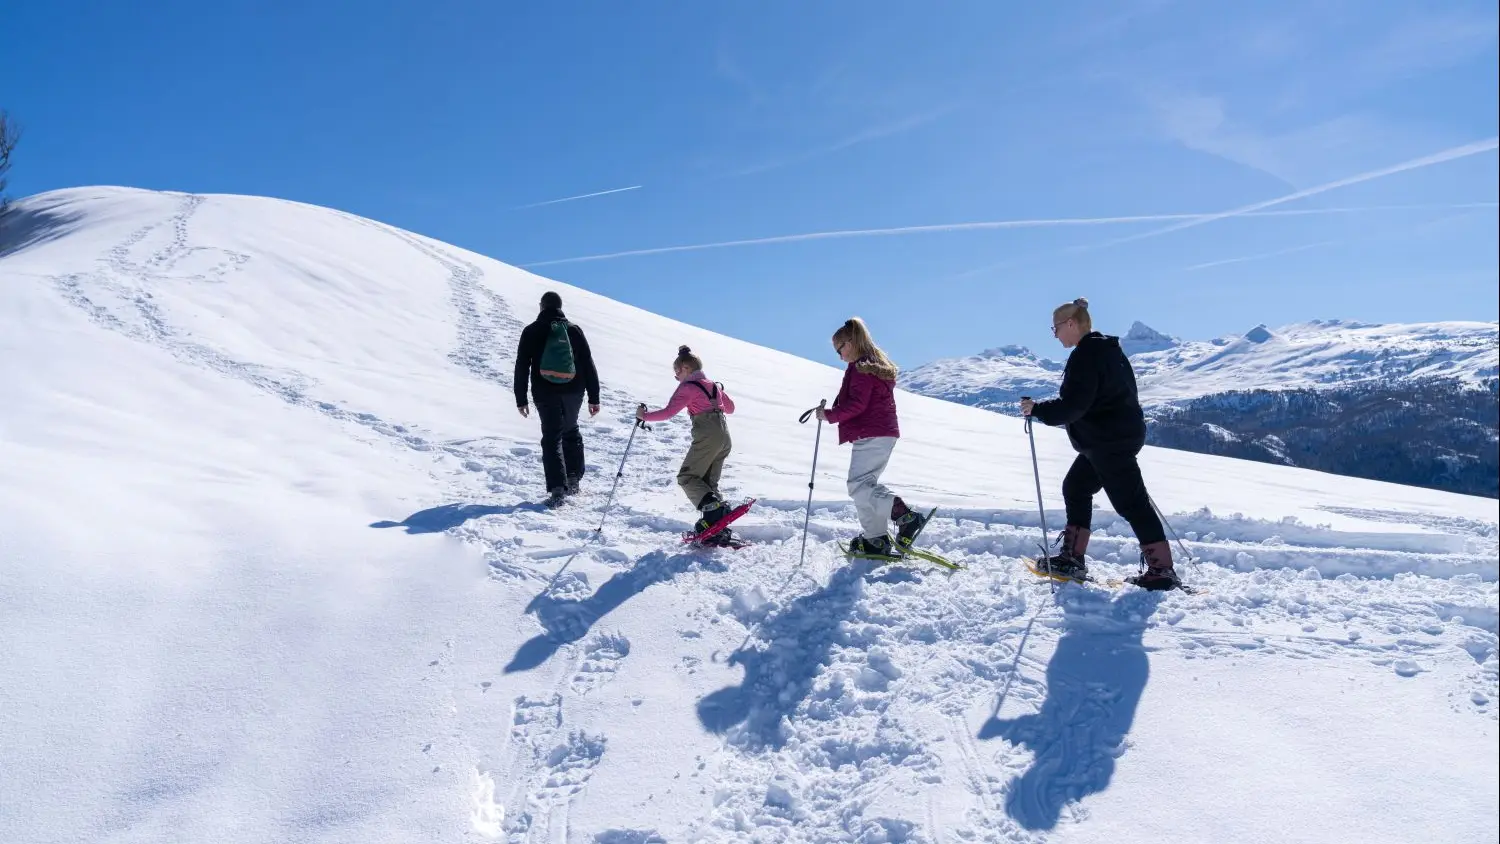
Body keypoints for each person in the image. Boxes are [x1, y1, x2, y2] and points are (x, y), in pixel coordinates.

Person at [1020, 298, 1180, 590]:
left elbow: (1074, 406)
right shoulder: (1108, 350)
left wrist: (1038, 409)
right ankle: (1072, 558)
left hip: (1108, 441)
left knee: (1132, 503)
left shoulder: (1087, 354)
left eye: (1055, 328)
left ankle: (1162, 571)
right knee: (1076, 486)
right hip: (1110, 438)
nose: (1054, 335)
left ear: (1071, 324)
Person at [815, 317, 930, 560]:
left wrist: (829, 415)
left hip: (872, 432)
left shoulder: (861, 368)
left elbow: (857, 404)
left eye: (840, 349)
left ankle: (904, 516)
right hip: (879, 432)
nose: (839, 355)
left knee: (858, 486)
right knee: (865, 486)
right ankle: (874, 539)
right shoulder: (870, 364)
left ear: (851, 341)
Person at [636, 345, 741, 543]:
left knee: (687, 477)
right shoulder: (713, 385)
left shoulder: (688, 387)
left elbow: (668, 412)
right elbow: (731, 408)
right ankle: (716, 525)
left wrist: (644, 416)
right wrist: (717, 395)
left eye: (676, 373)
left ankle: (715, 514)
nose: (676, 378)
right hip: (724, 436)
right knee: (708, 483)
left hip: (707, 434)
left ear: (686, 368)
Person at [514, 291, 601, 507]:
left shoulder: (532, 330)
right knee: (571, 430)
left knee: (552, 436)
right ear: (560, 307)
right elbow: (588, 363)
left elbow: (522, 365)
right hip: (574, 390)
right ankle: (573, 478)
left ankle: (557, 489)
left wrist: (520, 398)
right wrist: (594, 396)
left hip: (545, 391)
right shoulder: (573, 330)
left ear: (541, 306)